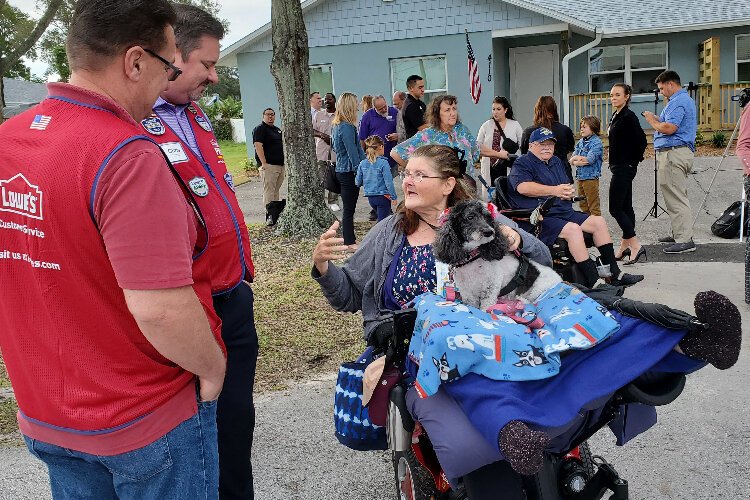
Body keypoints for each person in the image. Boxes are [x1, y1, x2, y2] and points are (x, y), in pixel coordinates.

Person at [0, 0, 226, 498]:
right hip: (142, 416)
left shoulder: (7, 140)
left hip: (48, 412)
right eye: (168, 65)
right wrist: (212, 369)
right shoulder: (126, 155)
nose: (167, 82)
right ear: (135, 61)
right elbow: (161, 309)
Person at [312, 144, 552, 497]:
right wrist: (323, 266)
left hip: (481, 342)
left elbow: (541, 256)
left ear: (447, 184)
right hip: (412, 353)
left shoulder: (478, 219)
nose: (407, 181)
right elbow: (348, 293)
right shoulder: (389, 232)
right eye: (406, 173)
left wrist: (516, 239)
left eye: (419, 175)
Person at [142, 5, 257, 498]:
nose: (213, 75)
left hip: (233, 297)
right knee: (188, 441)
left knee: (235, 429)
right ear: (171, 57)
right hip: (187, 307)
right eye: (206, 65)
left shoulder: (195, 113)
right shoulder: (131, 122)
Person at [509, 127, 643, 288]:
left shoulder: (556, 161)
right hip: (540, 218)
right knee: (573, 230)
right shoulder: (523, 162)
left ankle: (614, 274)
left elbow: (564, 185)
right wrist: (554, 190)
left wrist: (568, 194)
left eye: (550, 144)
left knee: (598, 222)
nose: (547, 147)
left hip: (563, 211)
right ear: (531, 146)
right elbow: (522, 187)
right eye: (542, 144)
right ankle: (594, 281)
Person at [643, 70, 698, 254]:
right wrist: (658, 119)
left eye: (661, 88)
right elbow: (667, 123)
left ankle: (684, 240)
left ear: (671, 84)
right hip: (673, 153)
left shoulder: (679, 102)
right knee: (675, 194)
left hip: (674, 154)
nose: (661, 92)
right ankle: (679, 233)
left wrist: (652, 120)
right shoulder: (678, 101)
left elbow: (669, 128)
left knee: (676, 197)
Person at [391, 95, 481, 180]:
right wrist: (416, 173)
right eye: (447, 110)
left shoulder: (462, 130)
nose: (452, 113)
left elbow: (475, 147)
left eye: (454, 109)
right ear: (437, 114)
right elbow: (395, 153)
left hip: (467, 188)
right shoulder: (428, 135)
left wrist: (495, 154)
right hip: (442, 190)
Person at [607, 83, 648, 263]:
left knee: (614, 208)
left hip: (625, 167)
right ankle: (625, 245)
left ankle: (636, 245)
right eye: (612, 95)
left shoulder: (629, 116)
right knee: (625, 207)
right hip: (617, 166)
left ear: (627, 96)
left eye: (617, 95)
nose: (613, 98)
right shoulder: (616, 115)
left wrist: (632, 162)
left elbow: (642, 141)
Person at [331, 92, 366, 248]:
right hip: (348, 172)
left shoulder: (338, 125)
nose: (358, 105)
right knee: (349, 209)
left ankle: (350, 238)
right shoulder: (346, 126)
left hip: (343, 170)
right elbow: (352, 151)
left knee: (349, 208)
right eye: (356, 102)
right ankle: (349, 241)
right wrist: (361, 170)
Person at [476, 96, 523, 197]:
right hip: (490, 167)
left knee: (507, 195)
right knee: (490, 197)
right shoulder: (486, 125)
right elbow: (477, 145)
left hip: (508, 166)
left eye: (498, 109)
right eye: (493, 109)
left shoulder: (515, 125)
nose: (495, 112)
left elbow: (523, 145)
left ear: (505, 110)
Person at [521, 96, 575, 183]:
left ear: (537, 110)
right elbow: (570, 149)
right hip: (563, 174)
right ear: (554, 109)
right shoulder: (565, 130)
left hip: (538, 176)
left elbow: (524, 153)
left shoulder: (529, 132)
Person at [252, 108, 285, 225]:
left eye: (272, 114)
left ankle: (275, 215)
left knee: (276, 192)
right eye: (268, 114)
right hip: (269, 166)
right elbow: (258, 146)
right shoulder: (260, 129)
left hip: (280, 166)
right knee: (269, 192)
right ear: (263, 115)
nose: (270, 117)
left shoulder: (277, 130)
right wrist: (264, 163)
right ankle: (269, 217)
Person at [356, 135, 397, 222]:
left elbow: (357, 182)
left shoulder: (362, 163)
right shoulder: (383, 163)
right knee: (382, 222)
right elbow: (388, 182)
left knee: (382, 218)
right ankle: (380, 235)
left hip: (370, 197)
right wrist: (393, 196)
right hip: (383, 196)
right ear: (381, 146)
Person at [570, 115, 604, 216]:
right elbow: (572, 158)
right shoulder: (580, 142)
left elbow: (590, 159)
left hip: (590, 178)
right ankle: (588, 226)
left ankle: (597, 227)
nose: (581, 129)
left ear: (593, 128)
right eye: (581, 126)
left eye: (584, 127)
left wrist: (576, 159)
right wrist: (576, 161)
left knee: (593, 205)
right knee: (583, 204)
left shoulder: (596, 142)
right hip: (580, 177)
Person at [359, 94, 399, 177]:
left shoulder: (394, 112)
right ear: (375, 108)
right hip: (375, 159)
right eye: (381, 109)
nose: (384, 110)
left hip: (392, 158)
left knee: (390, 182)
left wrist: (397, 135)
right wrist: (363, 156)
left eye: (385, 106)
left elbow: (403, 130)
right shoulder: (367, 116)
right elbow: (362, 138)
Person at [313, 92, 340, 211]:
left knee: (334, 177)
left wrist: (333, 139)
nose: (327, 101)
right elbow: (312, 130)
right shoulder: (319, 115)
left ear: (334, 101)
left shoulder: (340, 115)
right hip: (321, 152)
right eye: (325, 100)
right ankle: (319, 203)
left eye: (330, 99)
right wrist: (322, 135)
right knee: (321, 178)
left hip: (336, 153)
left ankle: (333, 201)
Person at [401, 74, 429, 139]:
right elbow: (422, 128)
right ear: (411, 88)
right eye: (420, 87)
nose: (423, 90)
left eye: (423, 87)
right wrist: (437, 124)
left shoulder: (420, 103)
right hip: (416, 144)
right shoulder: (410, 106)